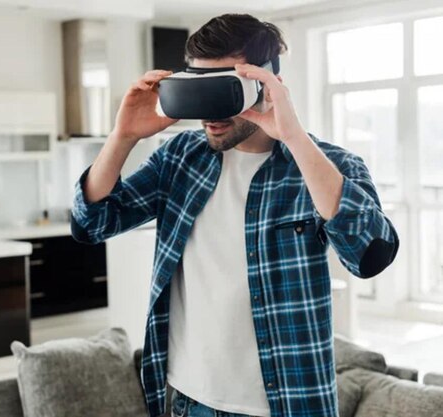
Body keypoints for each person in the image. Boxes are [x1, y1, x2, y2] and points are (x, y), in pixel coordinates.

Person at [70, 13, 399, 417]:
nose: (211, 113)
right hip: (190, 400)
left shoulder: (331, 166)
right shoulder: (180, 158)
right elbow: (92, 223)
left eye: (224, 90)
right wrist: (122, 136)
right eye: (200, 89)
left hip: (290, 405)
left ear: (265, 85)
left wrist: (293, 135)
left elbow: (370, 255)